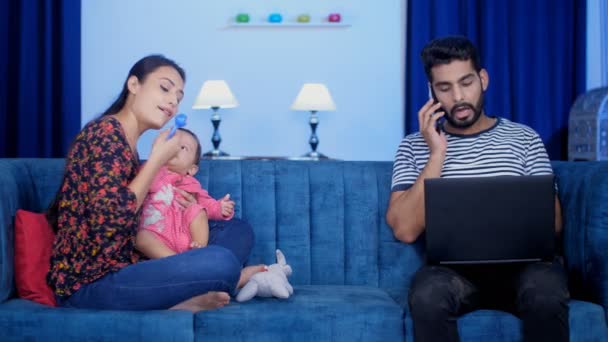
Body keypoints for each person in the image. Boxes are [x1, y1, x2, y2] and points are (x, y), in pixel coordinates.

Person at [385, 36, 569, 342]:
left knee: (546, 292)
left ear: (483, 79)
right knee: (428, 295)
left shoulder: (525, 139)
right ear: (432, 93)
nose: (458, 96)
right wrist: (437, 155)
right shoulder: (413, 147)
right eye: (444, 88)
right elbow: (404, 230)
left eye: (466, 82)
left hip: (525, 269)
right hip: (453, 273)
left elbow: (555, 225)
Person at [46, 54, 264, 312]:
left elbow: (143, 212)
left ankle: (196, 283)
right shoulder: (103, 134)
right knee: (221, 262)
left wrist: (186, 211)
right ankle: (209, 287)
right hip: (92, 283)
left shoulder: (127, 144)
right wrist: (156, 161)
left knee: (237, 230)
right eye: (164, 88)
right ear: (134, 85)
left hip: (132, 262)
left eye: (179, 98)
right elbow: (111, 220)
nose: (173, 101)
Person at [136, 127, 236, 257]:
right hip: (156, 234)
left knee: (198, 210)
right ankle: (176, 261)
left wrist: (219, 207)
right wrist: (155, 162)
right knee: (141, 237)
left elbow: (205, 202)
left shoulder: (191, 184)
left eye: (183, 147)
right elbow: (146, 187)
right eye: (171, 143)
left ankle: (199, 250)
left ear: (191, 170)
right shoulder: (150, 170)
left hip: (185, 237)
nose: (175, 148)